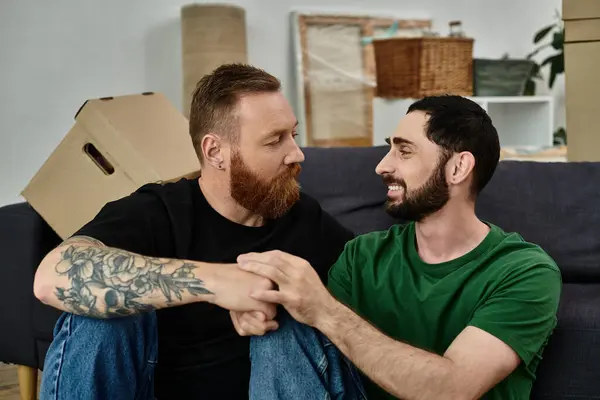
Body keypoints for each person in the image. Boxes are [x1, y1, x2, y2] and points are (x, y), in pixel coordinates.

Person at [33, 63, 355, 399]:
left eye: (294, 135)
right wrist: (216, 284)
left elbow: (371, 276)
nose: (297, 153)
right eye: (275, 140)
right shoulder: (160, 211)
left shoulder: (302, 216)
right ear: (215, 152)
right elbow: (51, 277)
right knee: (100, 314)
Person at [239, 95, 562, 400]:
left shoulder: (525, 271)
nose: (382, 166)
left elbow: (453, 390)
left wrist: (323, 309)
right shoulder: (362, 256)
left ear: (458, 168)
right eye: (389, 150)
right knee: (281, 328)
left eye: (404, 151)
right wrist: (263, 311)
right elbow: (312, 364)